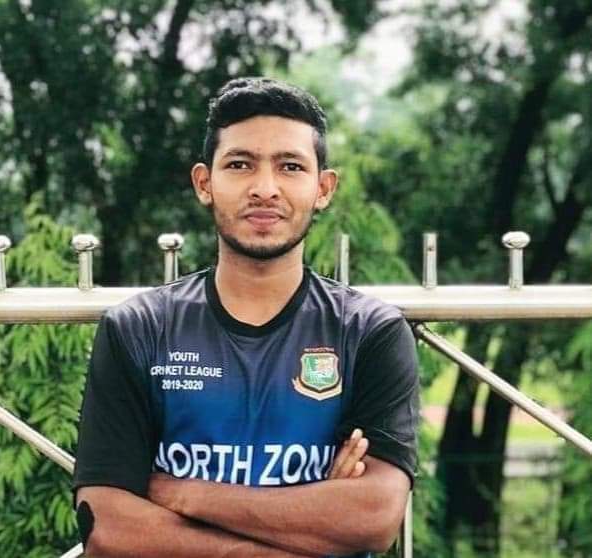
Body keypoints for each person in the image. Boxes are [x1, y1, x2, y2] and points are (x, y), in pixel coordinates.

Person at [73, 77, 419, 557]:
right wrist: (309, 523)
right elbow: (107, 526)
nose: (264, 189)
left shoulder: (369, 332)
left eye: (290, 167)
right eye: (240, 164)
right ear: (204, 183)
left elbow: (373, 517)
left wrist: (185, 495)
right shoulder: (139, 329)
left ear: (323, 188)